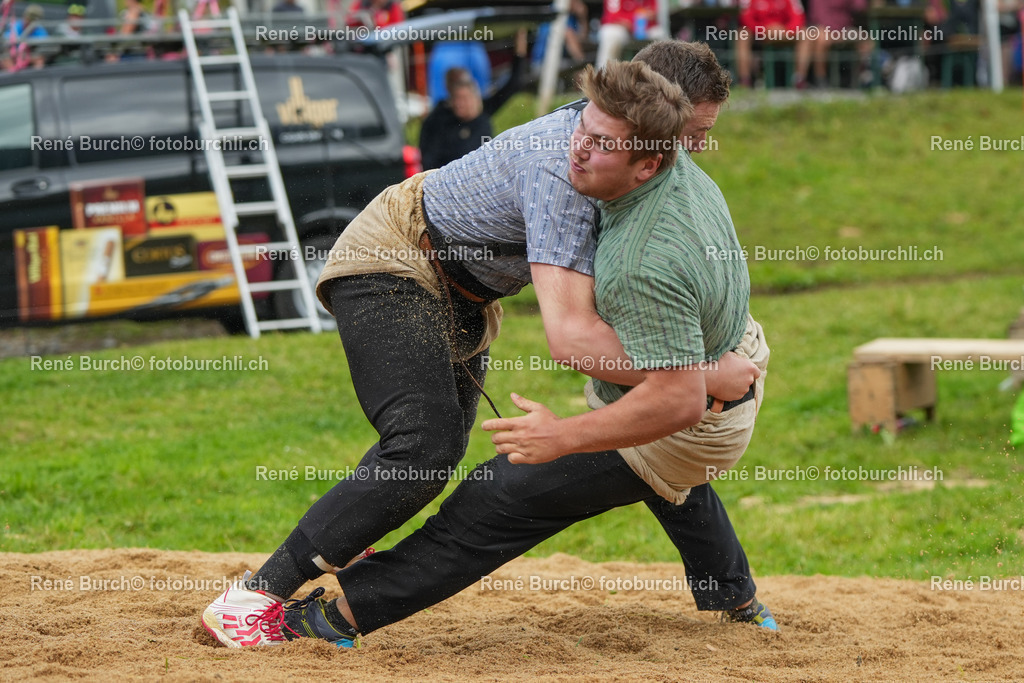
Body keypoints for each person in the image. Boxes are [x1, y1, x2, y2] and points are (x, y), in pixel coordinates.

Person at [200, 42, 774, 649]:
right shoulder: (567, 171)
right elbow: (573, 338)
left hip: (464, 290)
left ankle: (730, 590)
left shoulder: (654, 178)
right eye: (692, 129)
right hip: (397, 255)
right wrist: (704, 370)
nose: (693, 145)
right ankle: (255, 598)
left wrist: (687, 372)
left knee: (462, 457)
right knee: (421, 450)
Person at [419, 29, 528, 170]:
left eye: (465, 99)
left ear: (475, 96)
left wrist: (520, 48)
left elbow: (514, 83)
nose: (461, 104)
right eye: (457, 99)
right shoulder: (440, 119)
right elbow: (428, 159)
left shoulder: (484, 109)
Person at [794, 0, 873, 89]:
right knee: (820, 37)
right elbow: (818, 16)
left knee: (865, 40)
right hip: (823, 29)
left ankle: (864, 75)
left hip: (845, 28)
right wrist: (833, 32)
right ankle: (818, 79)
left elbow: (860, 7)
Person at [735, 0, 806, 87]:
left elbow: (798, 17)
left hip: (784, 33)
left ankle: (799, 79)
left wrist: (786, 31)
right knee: (742, 34)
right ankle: (744, 81)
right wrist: (763, 30)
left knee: (804, 34)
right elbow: (745, 18)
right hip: (758, 34)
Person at [596, 0, 669, 68]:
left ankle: (663, 74)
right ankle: (604, 76)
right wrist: (634, 18)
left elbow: (653, 13)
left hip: (645, 27)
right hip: (622, 28)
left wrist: (644, 17)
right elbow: (611, 17)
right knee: (610, 33)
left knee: (660, 34)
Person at [2, 4, 48, 71]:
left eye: (32, 20)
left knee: (39, 60)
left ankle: (34, 77)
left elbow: (44, 45)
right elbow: (6, 42)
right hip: (13, 54)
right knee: (5, 58)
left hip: (28, 55)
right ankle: (14, 77)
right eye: (28, 18)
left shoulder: (40, 30)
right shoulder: (15, 26)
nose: (28, 21)